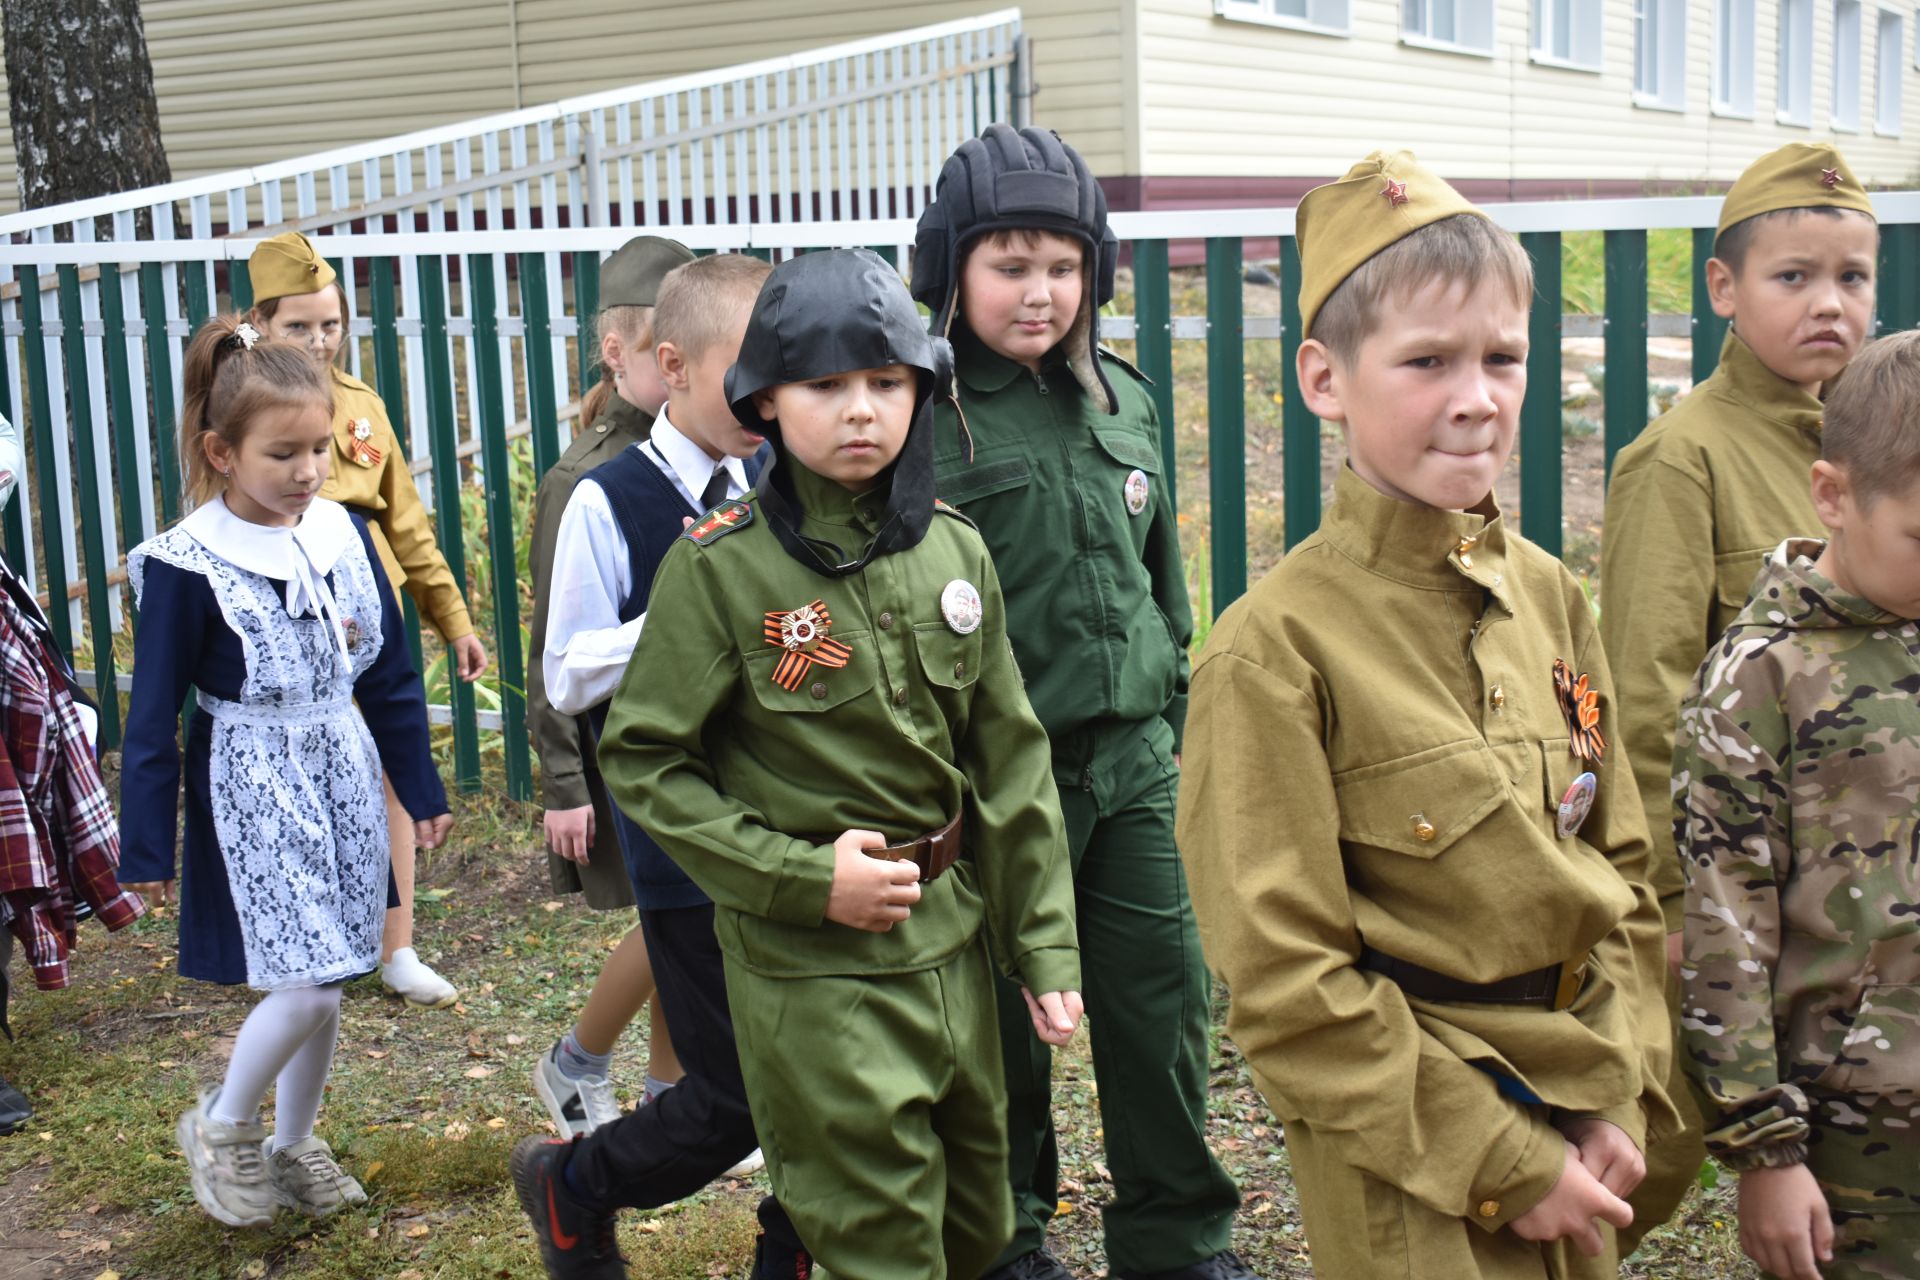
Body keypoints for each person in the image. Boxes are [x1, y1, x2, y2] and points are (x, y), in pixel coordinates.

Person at [512, 248, 1083, 1280]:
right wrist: (804, 876)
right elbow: (646, 763)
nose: (860, 409)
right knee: (875, 1229)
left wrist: (1042, 944)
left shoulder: (953, 553)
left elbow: (1010, 755)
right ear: (766, 400)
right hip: (818, 971)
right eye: (825, 385)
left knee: (979, 1219)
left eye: (886, 382)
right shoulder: (723, 567)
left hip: (951, 949)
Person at [1176, 151, 1675, 1280]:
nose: (1477, 395)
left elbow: (1623, 871)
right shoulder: (1275, 650)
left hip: (1579, 1100)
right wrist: (1499, 1152)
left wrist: (1622, 1085)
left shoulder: (1548, 594)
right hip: (1410, 1144)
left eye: (1503, 357)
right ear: (1323, 378)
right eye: (1428, 360)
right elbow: (1283, 982)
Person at [911, 122, 1249, 1280]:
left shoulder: (1126, 398)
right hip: (999, 788)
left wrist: (1180, 736)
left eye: (1064, 267)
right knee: (1003, 1033)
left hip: (1137, 765)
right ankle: (1006, 1239)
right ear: (950, 270)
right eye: (1010, 265)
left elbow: (1164, 587)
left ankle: (1178, 1242)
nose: (1041, 293)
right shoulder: (917, 421)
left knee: (1164, 1014)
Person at [1599, 142, 1879, 1248]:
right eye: (1792, 276)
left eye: (1851, 277)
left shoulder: (1875, 442)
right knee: (1653, 1140)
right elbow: (1643, 693)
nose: (1828, 304)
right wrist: (1666, 904)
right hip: (1729, 892)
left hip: (1850, 888)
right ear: (1724, 287)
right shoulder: (1683, 461)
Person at [117, 316, 450, 1226]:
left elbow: (386, 672)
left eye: (318, 448)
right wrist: (145, 844)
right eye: (282, 454)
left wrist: (416, 788)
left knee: (333, 969)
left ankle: (294, 1140)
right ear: (221, 453)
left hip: (338, 761)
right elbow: (151, 720)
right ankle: (222, 1126)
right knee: (300, 979)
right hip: (251, 776)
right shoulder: (188, 566)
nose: (308, 471)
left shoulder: (337, 532)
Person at [1674, 329, 1920, 1280]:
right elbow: (1723, 930)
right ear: (1833, 496)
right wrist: (1764, 1153)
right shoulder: (1760, 681)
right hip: (1857, 1133)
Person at [532, 253, 773, 1183]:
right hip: (673, 817)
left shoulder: (774, 484)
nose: (766, 400)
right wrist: (690, 620)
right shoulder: (606, 496)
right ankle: (578, 1183)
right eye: (744, 374)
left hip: (773, 807)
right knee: (729, 1079)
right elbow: (569, 670)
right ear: (673, 367)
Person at [247, 231, 485, 1009]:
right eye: (298, 328)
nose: (318, 342)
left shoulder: (361, 407)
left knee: (387, 766)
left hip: (368, 617)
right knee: (292, 779)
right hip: (284, 619)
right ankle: (301, 940)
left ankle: (397, 945)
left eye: (330, 325)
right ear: (259, 324)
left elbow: (408, 525)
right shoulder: (239, 404)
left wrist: (451, 619)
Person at [527, 234, 694, 1136]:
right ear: (617, 352)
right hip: (617, 745)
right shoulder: (584, 482)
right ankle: (577, 1061)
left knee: (688, 921)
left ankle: (670, 1088)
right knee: (675, 925)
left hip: (694, 737)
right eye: (663, 352)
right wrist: (562, 780)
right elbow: (555, 646)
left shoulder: (721, 459)